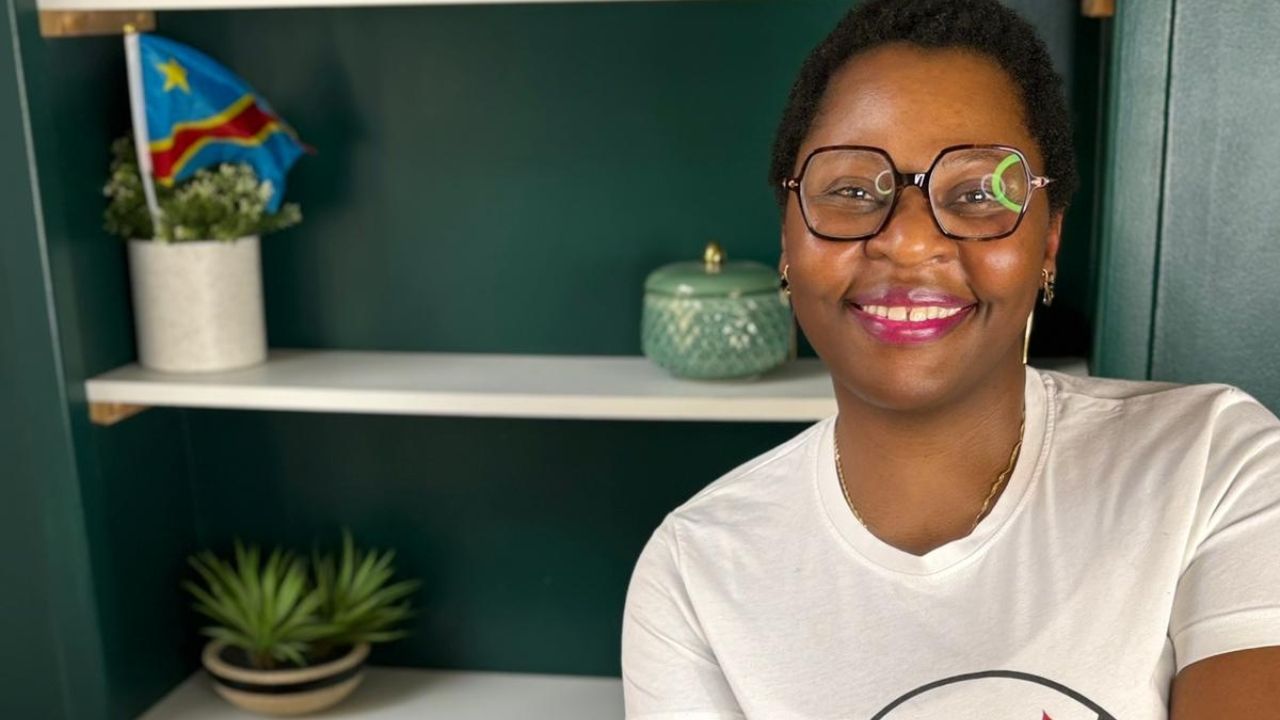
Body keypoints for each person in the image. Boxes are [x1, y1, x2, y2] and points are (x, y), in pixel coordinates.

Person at [620, 1, 1280, 718]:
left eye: (974, 194)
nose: (908, 242)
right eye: (851, 191)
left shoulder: (1213, 467)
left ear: (1048, 242)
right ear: (788, 240)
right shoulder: (694, 571)